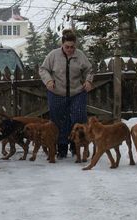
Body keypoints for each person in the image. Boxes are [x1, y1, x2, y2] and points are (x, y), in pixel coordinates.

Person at [39, 29, 93, 158]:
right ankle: (61, 148)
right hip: (57, 92)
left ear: (75, 45)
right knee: (58, 121)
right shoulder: (53, 55)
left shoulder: (80, 55)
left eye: (72, 47)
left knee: (78, 119)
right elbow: (43, 69)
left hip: (77, 92)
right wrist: (48, 81)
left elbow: (89, 69)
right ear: (62, 45)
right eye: (67, 47)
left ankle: (76, 146)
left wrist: (88, 81)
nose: (70, 49)